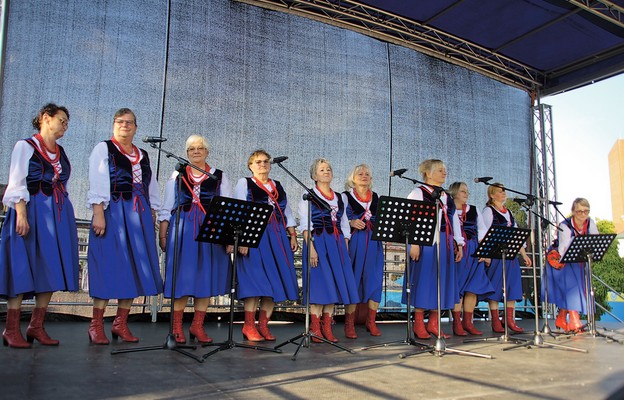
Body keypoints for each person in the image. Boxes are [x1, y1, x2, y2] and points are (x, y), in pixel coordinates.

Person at [0, 104, 79, 348]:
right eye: (62, 120)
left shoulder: (61, 152)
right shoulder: (26, 146)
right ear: (46, 118)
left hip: (56, 214)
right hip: (31, 210)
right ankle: (11, 329)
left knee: (50, 268)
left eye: (67, 122)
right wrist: (21, 213)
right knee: (22, 264)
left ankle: (36, 325)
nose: (65, 126)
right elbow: (17, 181)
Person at [86, 108, 163, 345]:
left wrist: (153, 213)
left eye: (129, 122)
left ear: (136, 128)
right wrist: (99, 213)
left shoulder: (143, 154)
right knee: (109, 264)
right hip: (114, 211)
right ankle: (96, 325)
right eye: (120, 122)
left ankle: (120, 324)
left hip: (139, 214)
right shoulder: (104, 148)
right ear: (113, 125)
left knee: (133, 266)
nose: (125, 126)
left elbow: (151, 186)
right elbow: (97, 180)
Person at [158, 135, 232, 344]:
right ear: (187, 152)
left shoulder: (219, 176)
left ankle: (197, 326)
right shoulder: (177, 174)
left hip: (210, 229)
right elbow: (167, 205)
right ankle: (176, 328)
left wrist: (227, 237)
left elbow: (225, 207)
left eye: (200, 148)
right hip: (183, 227)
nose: (196, 151)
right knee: (182, 277)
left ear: (207, 151)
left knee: (204, 278)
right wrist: (163, 234)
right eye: (191, 149)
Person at [233, 150, 299, 341]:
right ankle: (248, 326)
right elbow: (239, 210)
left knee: (273, 283)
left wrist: (292, 234)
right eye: (258, 162)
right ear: (250, 166)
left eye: (265, 161)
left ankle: (263, 326)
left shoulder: (277, 185)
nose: (262, 164)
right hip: (255, 235)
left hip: (277, 236)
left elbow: (287, 211)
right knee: (255, 283)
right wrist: (243, 239)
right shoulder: (244, 183)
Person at [298, 158, 359, 342]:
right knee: (320, 286)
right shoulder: (308, 195)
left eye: (329, 169)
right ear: (314, 175)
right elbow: (306, 225)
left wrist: (345, 244)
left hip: (337, 243)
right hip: (318, 242)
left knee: (333, 283)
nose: (327, 172)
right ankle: (315, 327)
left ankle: (327, 327)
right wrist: (312, 250)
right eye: (322, 169)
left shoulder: (341, 197)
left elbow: (343, 224)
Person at [403, 159, 463, 339]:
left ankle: (434, 324)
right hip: (425, 242)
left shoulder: (446, 196)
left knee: (441, 282)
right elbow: (409, 220)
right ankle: (419, 323)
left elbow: (454, 221)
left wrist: (458, 243)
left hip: (445, 242)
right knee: (424, 282)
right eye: (439, 170)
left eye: (445, 170)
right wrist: (414, 244)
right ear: (428, 173)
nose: (444, 173)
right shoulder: (418, 193)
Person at [481, 183, 532, 333]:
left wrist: (523, 254)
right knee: (496, 286)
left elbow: (516, 235)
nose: (504, 193)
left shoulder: (508, 212)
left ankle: (510, 319)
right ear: (492, 194)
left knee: (513, 286)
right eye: (500, 191)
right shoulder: (488, 211)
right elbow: (485, 235)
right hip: (496, 255)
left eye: (504, 191)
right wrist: (487, 255)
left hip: (510, 255)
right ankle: (495, 320)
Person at [342, 164, 384, 338]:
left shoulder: (376, 197)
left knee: (375, 281)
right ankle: (349, 324)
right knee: (353, 281)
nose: (364, 176)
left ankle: (371, 322)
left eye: (367, 174)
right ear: (353, 177)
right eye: (360, 173)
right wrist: (351, 222)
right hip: (355, 242)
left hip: (374, 242)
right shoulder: (345, 197)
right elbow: (340, 219)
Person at [448, 182, 495, 336]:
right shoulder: (448, 209)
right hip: (457, 250)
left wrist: (485, 252)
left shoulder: (474, 210)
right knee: (458, 287)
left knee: (473, 288)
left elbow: (482, 231)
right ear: (454, 193)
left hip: (474, 250)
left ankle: (468, 322)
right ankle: (456, 322)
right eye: (462, 191)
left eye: (467, 191)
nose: (466, 194)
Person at [547, 198, 597, 333]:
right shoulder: (565, 225)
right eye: (579, 211)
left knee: (578, 285)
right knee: (572, 286)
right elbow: (563, 249)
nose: (583, 214)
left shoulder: (590, 223)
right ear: (573, 211)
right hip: (560, 261)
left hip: (579, 260)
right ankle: (574, 320)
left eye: (586, 211)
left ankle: (561, 318)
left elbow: (595, 241)